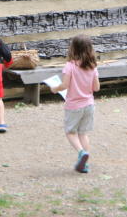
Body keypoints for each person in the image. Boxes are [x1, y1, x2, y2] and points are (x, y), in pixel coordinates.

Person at [50, 34, 100, 173]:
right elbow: (96, 88)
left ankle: (81, 153)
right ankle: (85, 164)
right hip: (89, 105)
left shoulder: (70, 66)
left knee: (70, 132)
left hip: (73, 106)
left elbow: (65, 85)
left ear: (73, 49)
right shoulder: (93, 66)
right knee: (83, 134)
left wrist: (55, 88)